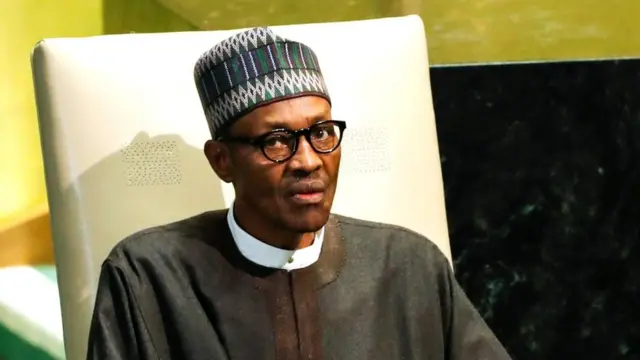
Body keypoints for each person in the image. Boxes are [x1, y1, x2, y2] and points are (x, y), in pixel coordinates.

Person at [86, 27, 511, 360]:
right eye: (276, 140)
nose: (307, 160)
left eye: (322, 133)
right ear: (222, 160)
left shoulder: (409, 267)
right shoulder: (149, 278)